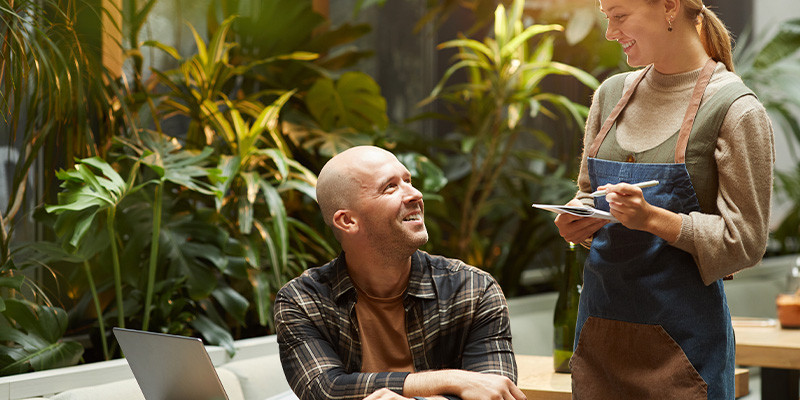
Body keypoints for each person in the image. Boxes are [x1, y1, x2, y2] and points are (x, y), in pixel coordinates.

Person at [553, 0, 774, 398]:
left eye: (619, 16)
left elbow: (746, 240)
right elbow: (587, 196)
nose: (609, 32)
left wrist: (654, 219)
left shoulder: (735, 110)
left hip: (683, 355)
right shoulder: (610, 96)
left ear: (670, 7)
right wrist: (578, 222)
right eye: (607, 17)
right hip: (600, 342)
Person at [274, 146, 526, 400]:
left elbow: (495, 392)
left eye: (408, 181)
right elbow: (324, 389)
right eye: (390, 187)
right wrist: (453, 379)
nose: (415, 194)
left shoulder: (473, 288)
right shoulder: (302, 300)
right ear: (348, 221)